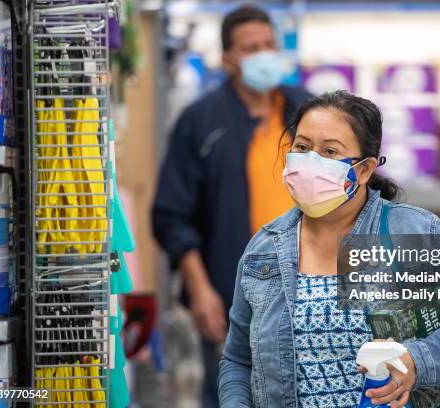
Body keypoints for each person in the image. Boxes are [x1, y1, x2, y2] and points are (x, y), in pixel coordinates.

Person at [218, 91, 440, 408]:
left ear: (364, 170)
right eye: (302, 147)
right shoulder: (265, 250)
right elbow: (237, 360)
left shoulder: (410, 232)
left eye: (330, 151)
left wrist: (417, 360)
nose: (311, 161)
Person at [151, 5, 311, 408]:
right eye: (251, 47)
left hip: (312, 291)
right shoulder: (201, 122)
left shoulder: (308, 112)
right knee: (232, 394)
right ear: (227, 60)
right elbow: (172, 216)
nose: (264, 54)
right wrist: (201, 291)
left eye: (269, 44)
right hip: (232, 298)